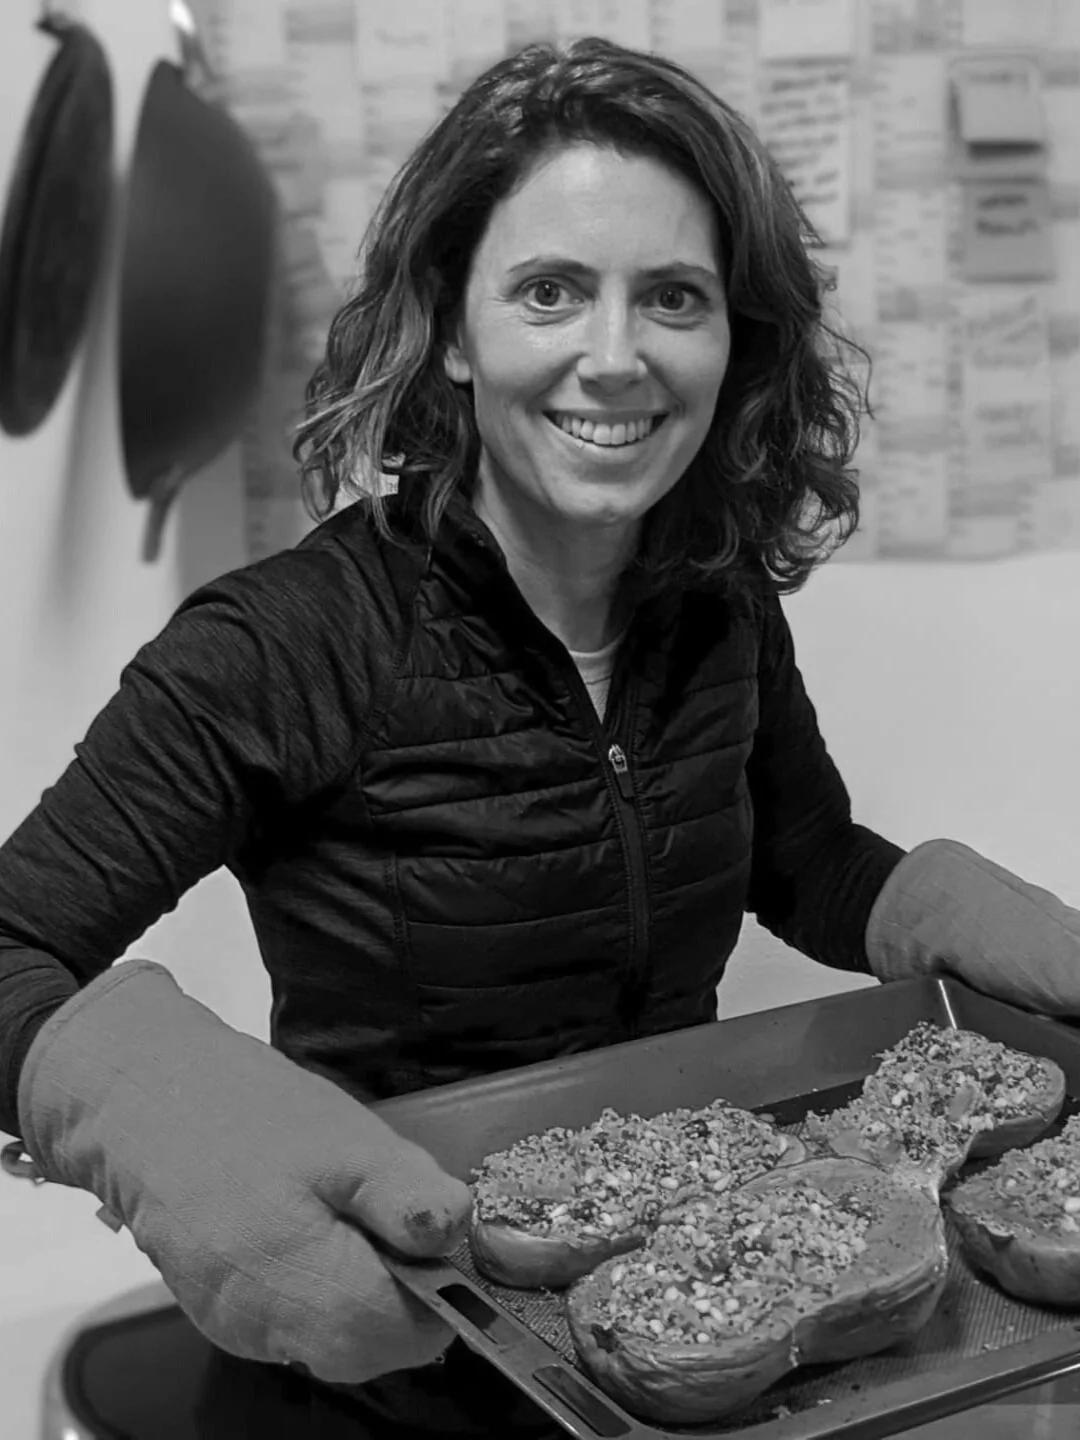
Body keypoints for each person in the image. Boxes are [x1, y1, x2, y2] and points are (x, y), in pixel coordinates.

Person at [1, 33, 1078, 1440]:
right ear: (453, 328)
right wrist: (141, 1108)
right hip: (393, 1341)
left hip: (713, 1309)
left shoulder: (718, 605)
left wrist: (930, 904)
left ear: (731, 339)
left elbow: (798, 854)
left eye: (673, 297)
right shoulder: (287, 641)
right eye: (552, 290)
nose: (615, 357)